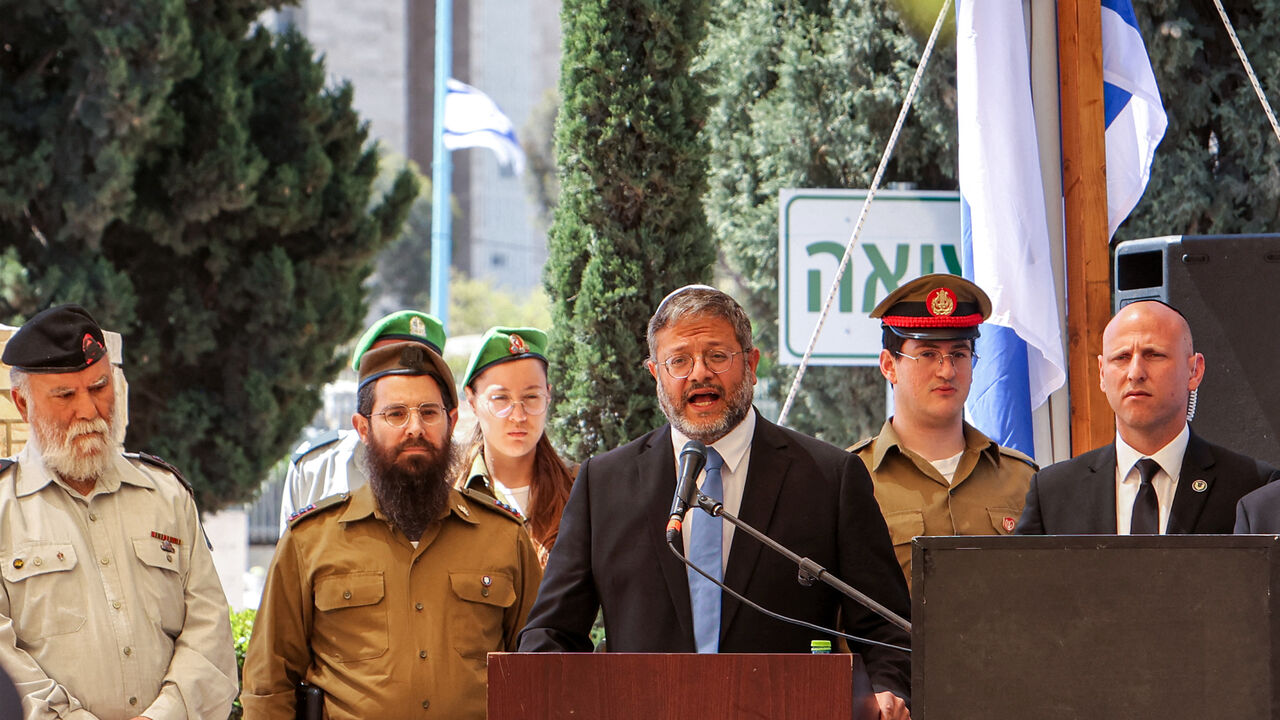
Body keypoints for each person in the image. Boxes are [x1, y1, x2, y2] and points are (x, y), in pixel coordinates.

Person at [518, 285, 912, 719]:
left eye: (718, 356)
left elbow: (887, 629)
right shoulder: (604, 483)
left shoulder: (829, 478)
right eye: (679, 361)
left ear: (752, 364)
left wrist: (888, 689)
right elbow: (552, 631)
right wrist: (543, 695)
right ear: (655, 374)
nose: (700, 373)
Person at [241, 338, 542, 720]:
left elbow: (539, 673)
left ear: (451, 422)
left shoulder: (504, 536)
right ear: (363, 428)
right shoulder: (310, 541)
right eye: (395, 414)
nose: (415, 428)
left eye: (429, 413)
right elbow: (268, 686)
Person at [0, 304, 237, 719]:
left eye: (99, 387)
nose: (89, 410)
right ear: (23, 404)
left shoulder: (166, 495)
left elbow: (210, 635)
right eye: (65, 395)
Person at [1016, 300, 1279, 535]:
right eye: (1121, 357)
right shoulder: (1052, 494)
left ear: (1194, 371)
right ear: (1102, 374)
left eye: (1154, 355)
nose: (1135, 373)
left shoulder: (1251, 487)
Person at [850, 274, 1035, 590]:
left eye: (959, 354)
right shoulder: (853, 479)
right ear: (889, 365)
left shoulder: (1022, 479)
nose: (947, 370)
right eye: (928, 354)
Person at [278, 310, 446, 530]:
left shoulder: (463, 472)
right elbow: (291, 550)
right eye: (387, 364)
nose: (405, 378)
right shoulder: (316, 469)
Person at [456, 326, 574, 565]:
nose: (518, 416)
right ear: (472, 401)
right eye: (501, 399)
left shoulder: (578, 491)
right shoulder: (451, 496)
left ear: (548, 396)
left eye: (531, 397)